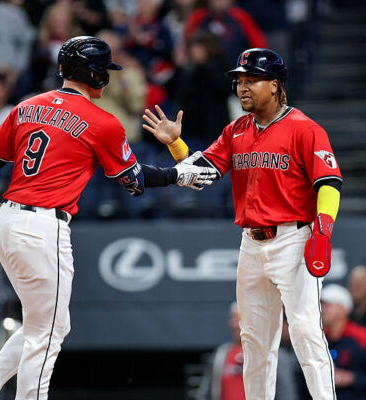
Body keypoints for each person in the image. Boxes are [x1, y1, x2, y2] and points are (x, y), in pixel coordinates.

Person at [0, 36, 217, 400]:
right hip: (43, 227)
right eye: (105, 72)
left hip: (8, 219)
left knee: (48, 323)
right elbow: (132, 181)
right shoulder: (102, 121)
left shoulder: (27, 106)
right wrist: (177, 174)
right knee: (46, 334)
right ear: (96, 75)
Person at [143, 48, 343, 399]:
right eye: (239, 80)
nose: (243, 87)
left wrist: (323, 232)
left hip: (293, 239)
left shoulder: (304, 128)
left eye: (252, 80)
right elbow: (204, 172)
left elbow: (328, 183)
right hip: (251, 243)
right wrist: (176, 146)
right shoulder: (236, 130)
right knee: (253, 342)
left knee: (306, 333)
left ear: (276, 86)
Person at [321, 284, 366, 399]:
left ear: (344, 309)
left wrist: (352, 378)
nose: (323, 308)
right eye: (321, 304)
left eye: (328, 304)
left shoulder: (361, 338)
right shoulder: (318, 339)